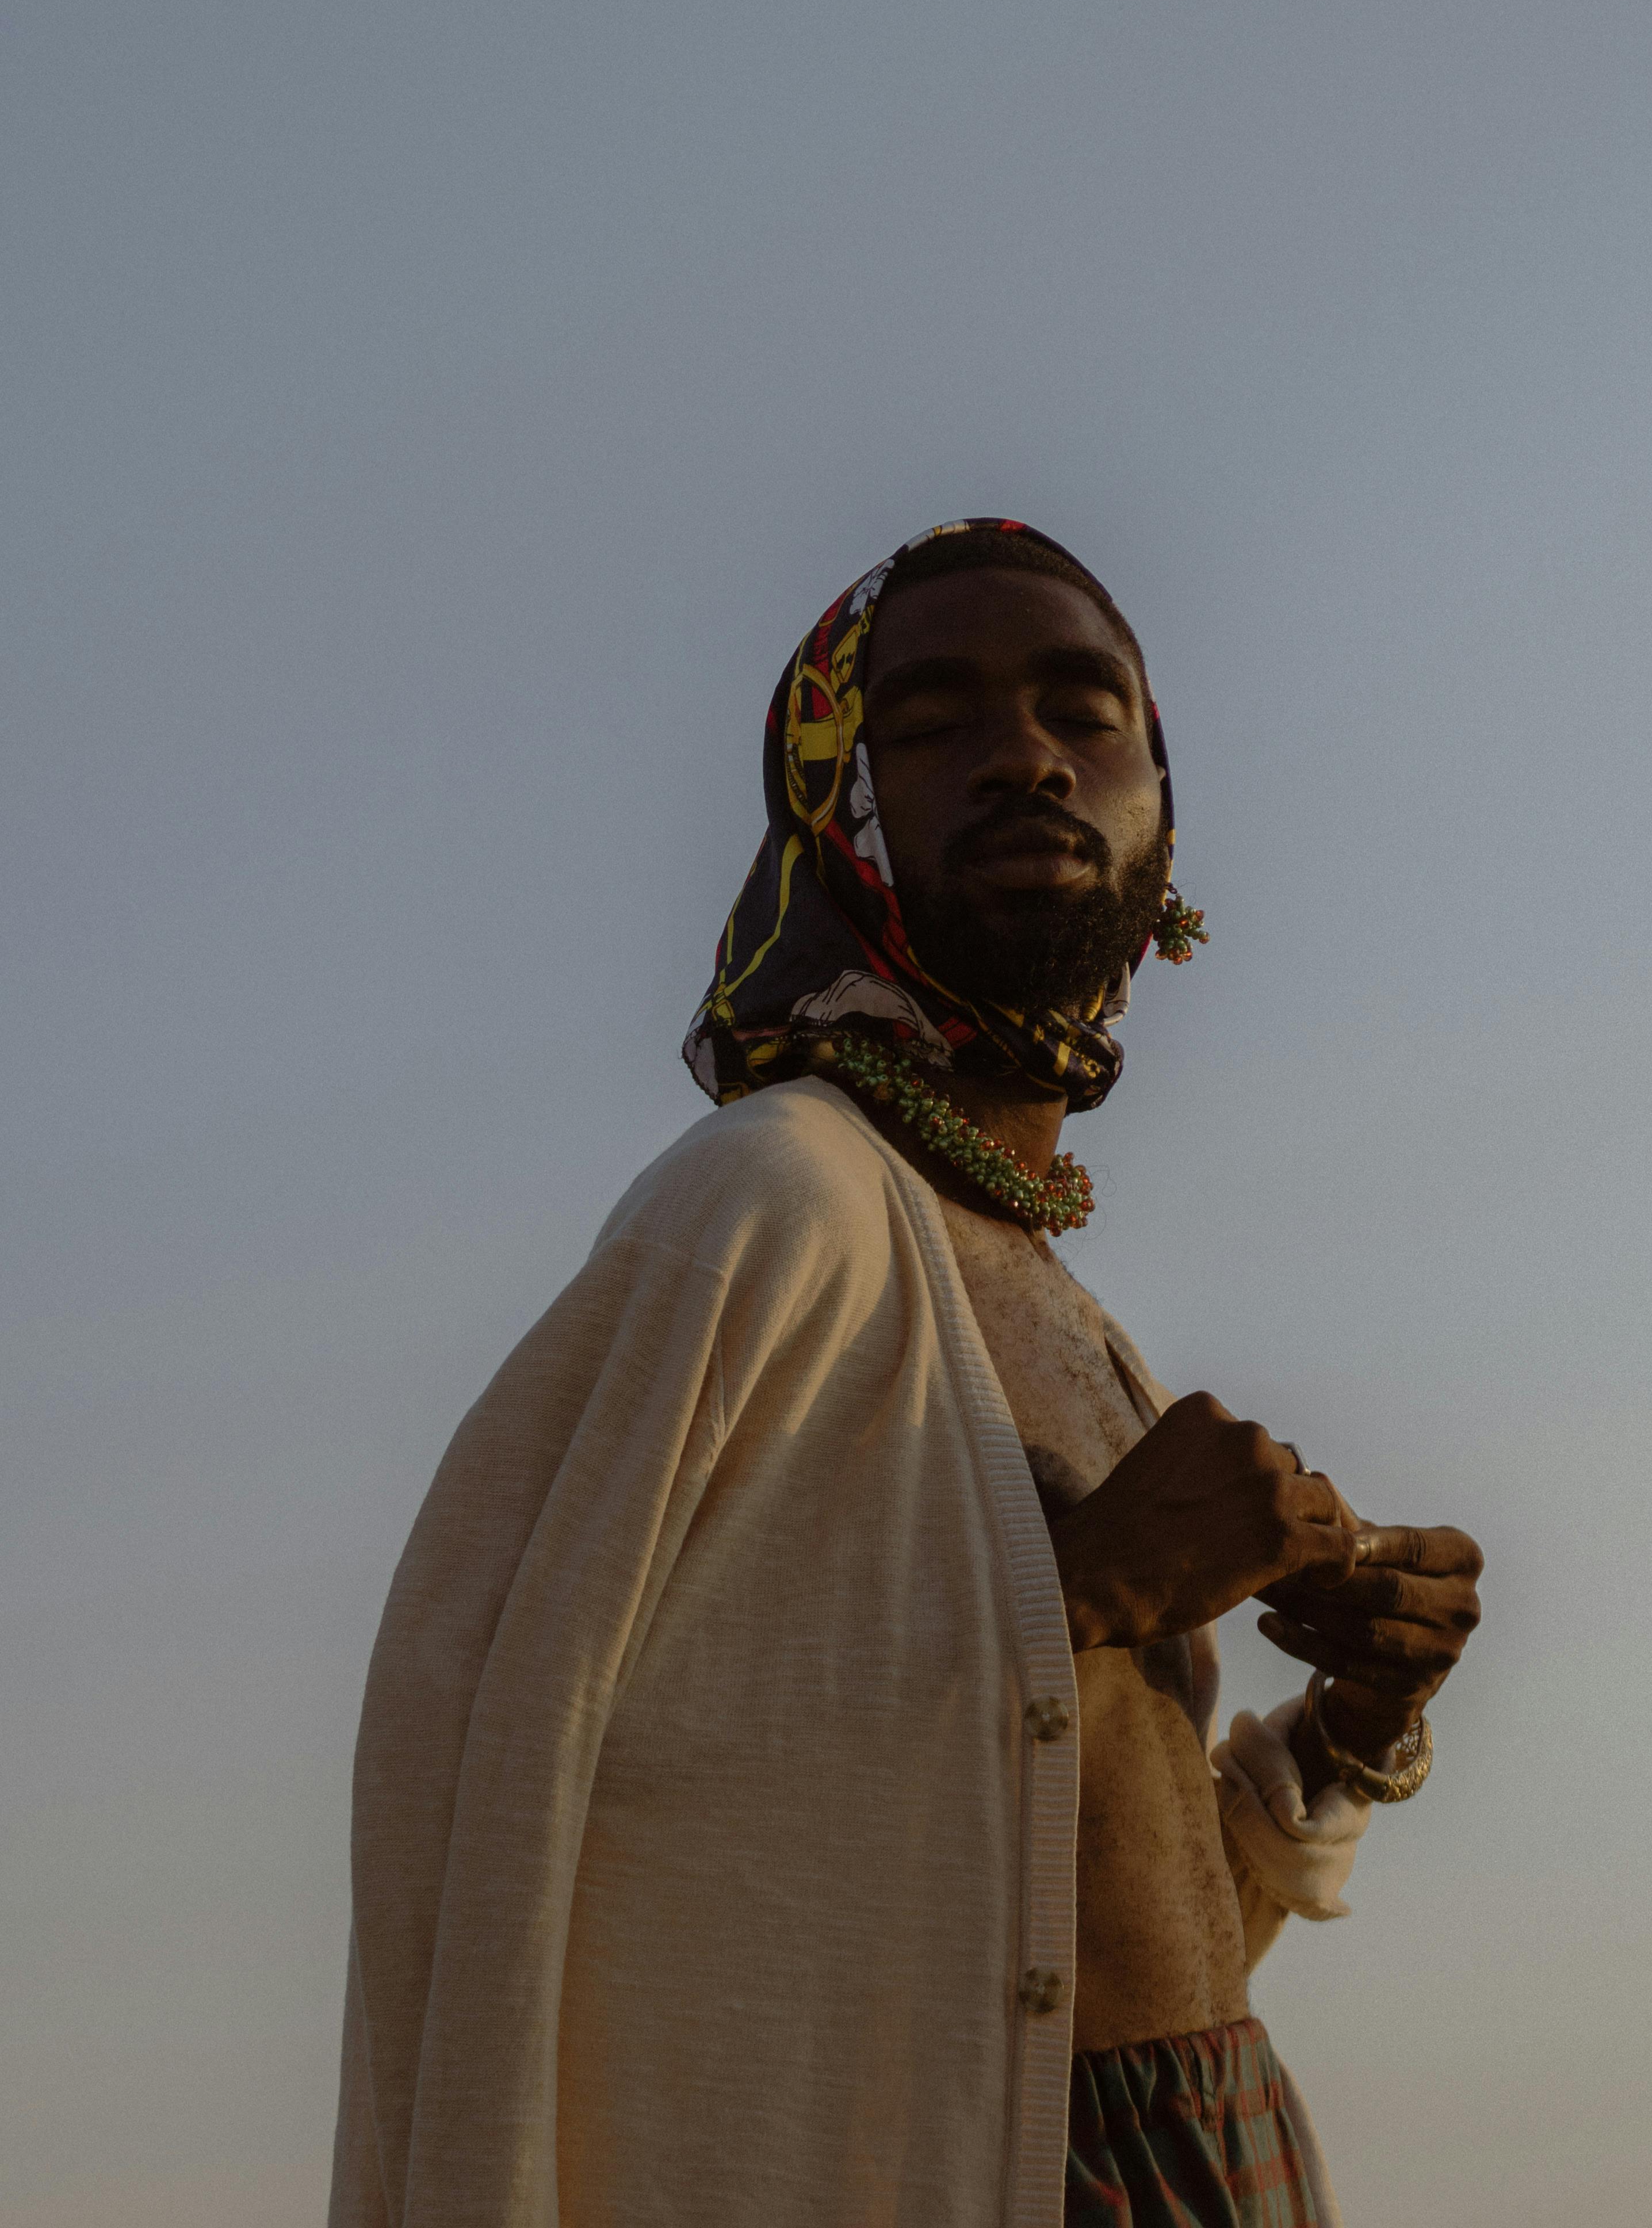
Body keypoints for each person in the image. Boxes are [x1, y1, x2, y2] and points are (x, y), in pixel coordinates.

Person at [330, 518, 1483, 2228]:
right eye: (935, 720)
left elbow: (1090, 1977)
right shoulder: (770, 1208)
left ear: (1161, 798)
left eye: (1084, 712)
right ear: (838, 814)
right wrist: (1084, 1588)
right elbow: (541, 1809)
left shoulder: (1069, 1318)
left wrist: (1352, 1730)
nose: (1028, 755)